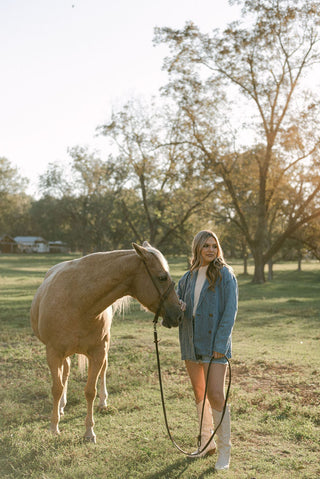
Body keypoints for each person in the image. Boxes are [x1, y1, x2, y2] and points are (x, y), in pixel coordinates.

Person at [177, 230, 238, 470]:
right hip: (191, 342)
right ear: (197, 249)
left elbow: (230, 312)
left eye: (214, 245)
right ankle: (206, 443)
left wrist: (221, 346)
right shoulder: (187, 277)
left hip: (214, 345)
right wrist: (179, 306)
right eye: (206, 246)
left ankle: (225, 450)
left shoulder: (225, 275)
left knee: (216, 395)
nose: (211, 250)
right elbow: (181, 308)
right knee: (200, 395)